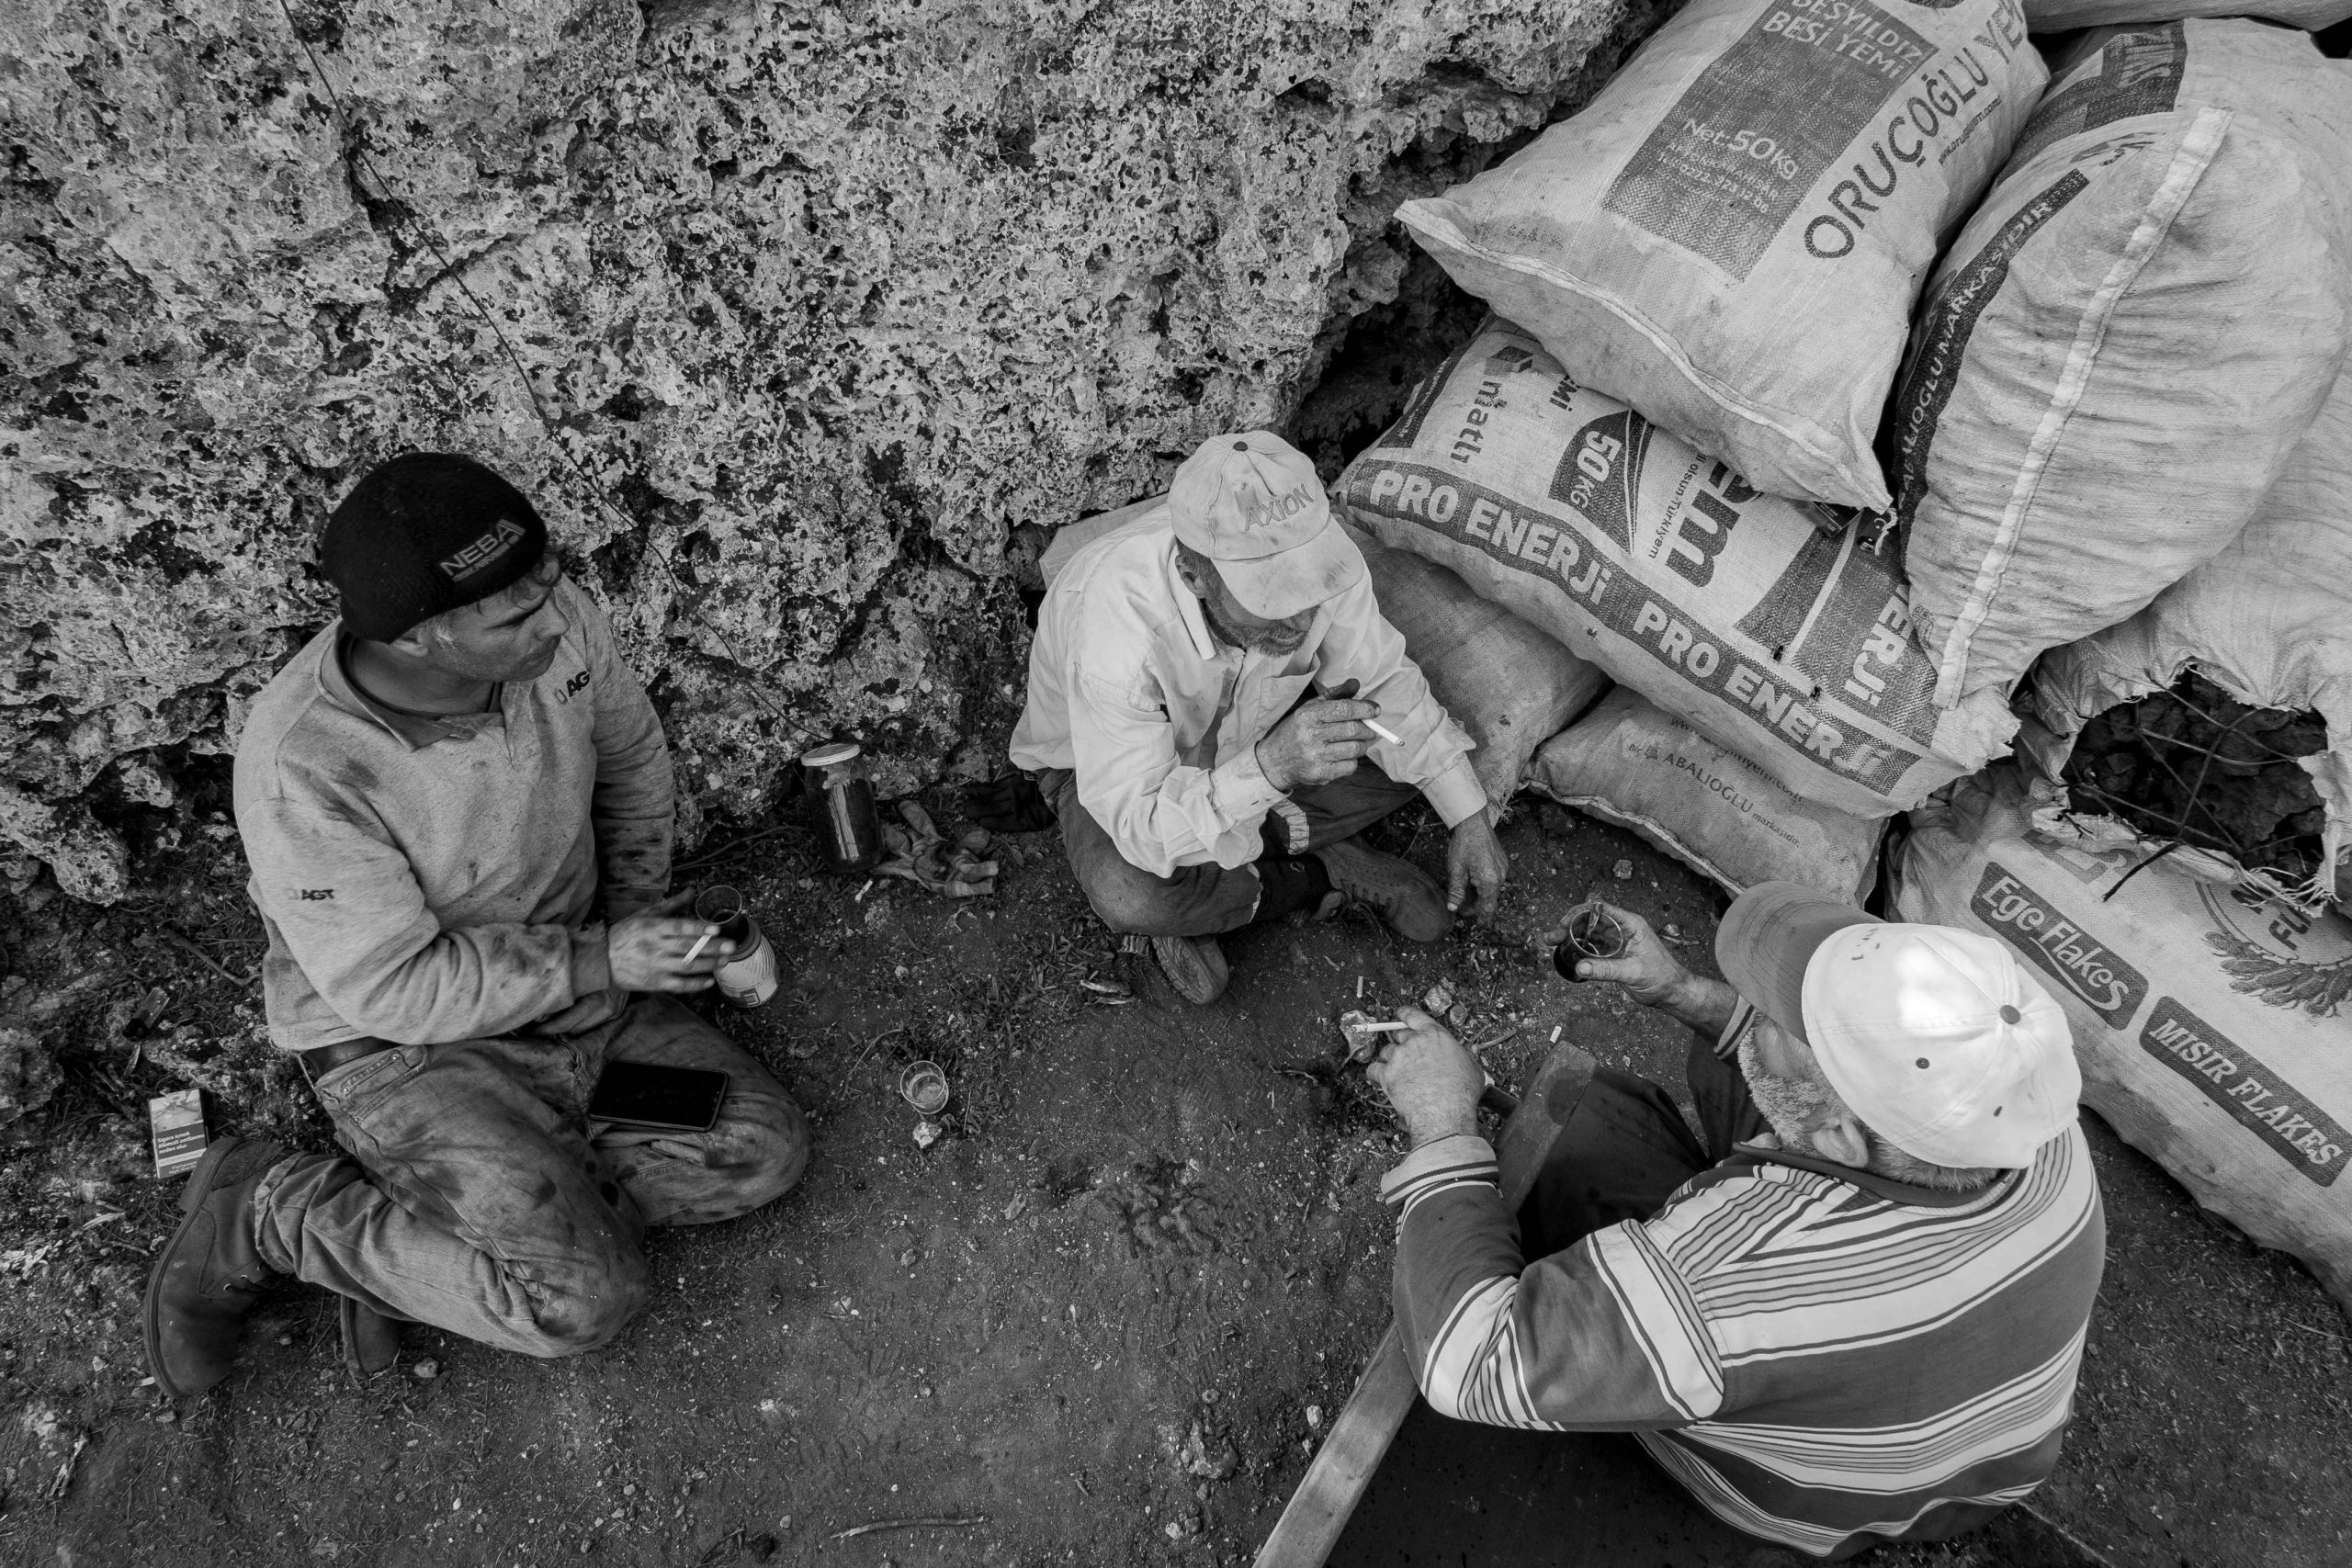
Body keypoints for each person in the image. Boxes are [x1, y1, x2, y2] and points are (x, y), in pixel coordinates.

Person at [145, 453, 808, 1399]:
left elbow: (631, 758)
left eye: (549, 587)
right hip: (410, 1050)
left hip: (579, 997)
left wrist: (634, 924)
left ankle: (430, 1241)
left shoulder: (552, 623)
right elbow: (392, 985)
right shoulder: (305, 769)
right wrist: (601, 957)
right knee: (580, 1303)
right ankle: (271, 1212)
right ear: (418, 638)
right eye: (514, 618)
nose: (556, 621)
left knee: (754, 1149)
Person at [1364, 883, 2105, 1560]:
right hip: (1978, 1476)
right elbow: (1818, 1096)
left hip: (1804, 1509)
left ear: (1838, 1137)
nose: (1755, 1005)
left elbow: (1466, 1362)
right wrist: (1682, 992)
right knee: (1725, 1087)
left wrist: (1441, 1118)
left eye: (1780, 1021)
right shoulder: (2028, 1121)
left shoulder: (1735, 1280)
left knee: (1579, 1142)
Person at [1007, 431, 1510, 1005]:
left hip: (1262, 736)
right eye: (1272, 598)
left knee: (1415, 750)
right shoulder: (1115, 638)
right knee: (1129, 891)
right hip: (1114, 780)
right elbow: (1142, 823)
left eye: (1307, 589)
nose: (1301, 622)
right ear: (1194, 576)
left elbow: (1383, 682)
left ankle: (1227, 878)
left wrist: (1469, 817)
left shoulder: (1316, 568)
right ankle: (1311, 875)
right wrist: (1272, 768)